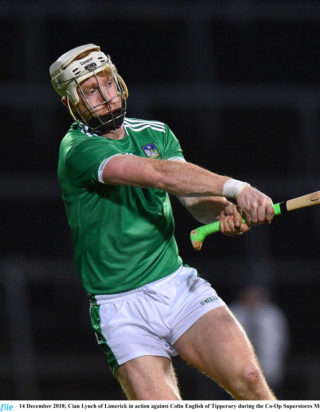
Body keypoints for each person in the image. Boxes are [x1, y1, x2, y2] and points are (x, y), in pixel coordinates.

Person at [50, 43, 277, 400]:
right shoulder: (77, 150)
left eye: (107, 83)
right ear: (71, 104)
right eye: (91, 91)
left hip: (176, 286)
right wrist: (238, 188)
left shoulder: (155, 133)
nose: (106, 97)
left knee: (249, 377)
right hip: (120, 307)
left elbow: (193, 199)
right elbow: (159, 175)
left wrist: (224, 213)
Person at [230, 285, 289, 394]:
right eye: (249, 296)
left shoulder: (272, 315)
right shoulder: (232, 313)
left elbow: (280, 342)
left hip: (267, 366)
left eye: (256, 297)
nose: (252, 300)